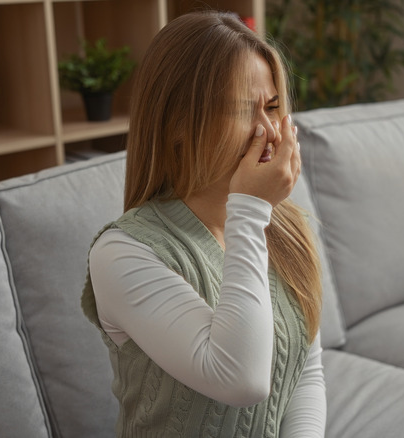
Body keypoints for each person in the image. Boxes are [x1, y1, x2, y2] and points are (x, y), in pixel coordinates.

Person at [81, 11, 326, 437]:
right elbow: (241, 379)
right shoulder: (122, 253)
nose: (269, 132)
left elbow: (306, 367)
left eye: (272, 108)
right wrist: (249, 209)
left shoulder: (283, 225)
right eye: (243, 111)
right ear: (177, 124)